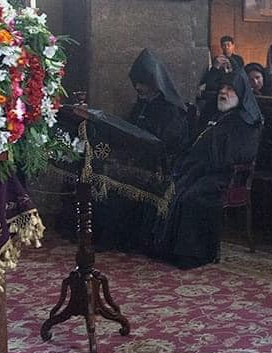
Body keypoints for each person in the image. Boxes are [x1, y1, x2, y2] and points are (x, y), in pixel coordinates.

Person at [57, 48, 192, 252]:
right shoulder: (142, 105)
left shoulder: (171, 110)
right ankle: (85, 230)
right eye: (136, 83)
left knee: (114, 183)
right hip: (135, 159)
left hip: (160, 165)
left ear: (155, 83)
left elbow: (166, 144)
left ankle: (110, 238)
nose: (138, 88)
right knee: (92, 169)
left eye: (142, 83)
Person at [152, 70, 263, 268]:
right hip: (199, 170)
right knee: (170, 188)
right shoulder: (216, 115)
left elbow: (239, 156)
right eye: (222, 88)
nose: (223, 92)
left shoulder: (247, 122)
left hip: (224, 176)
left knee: (192, 196)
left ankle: (194, 254)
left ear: (240, 93)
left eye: (230, 89)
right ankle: (164, 247)